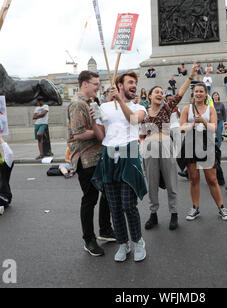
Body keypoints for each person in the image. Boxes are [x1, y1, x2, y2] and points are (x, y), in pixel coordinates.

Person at [91, 71, 148, 263]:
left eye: (135, 82)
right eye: (130, 82)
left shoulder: (139, 106)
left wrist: (120, 101)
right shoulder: (105, 107)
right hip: (108, 154)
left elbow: (133, 120)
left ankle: (138, 241)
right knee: (114, 206)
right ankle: (123, 243)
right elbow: (101, 136)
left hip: (129, 153)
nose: (134, 85)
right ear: (120, 85)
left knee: (128, 205)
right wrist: (93, 118)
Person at [140, 64, 199, 232]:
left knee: (171, 182)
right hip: (149, 148)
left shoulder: (167, 107)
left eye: (161, 92)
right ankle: (154, 214)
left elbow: (180, 93)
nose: (160, 93)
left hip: (166, 146)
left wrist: (190, 77)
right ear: (150, 96)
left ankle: (174, 213)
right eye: (156, 92)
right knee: (151, 183)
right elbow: (142, 134)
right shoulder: (143, 112)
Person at [67, 70, 116, 258]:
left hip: (98, 156)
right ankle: (89, 239)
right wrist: (101, 132)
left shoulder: (93, 102)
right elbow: (77, 134)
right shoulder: (78, 104)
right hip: (85, 158)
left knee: (107, 193)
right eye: (96, 84)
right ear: (84, 84)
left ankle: (105, 229)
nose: (98, 86)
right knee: (90, 198)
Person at [179, 83, 227, 221]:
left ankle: (221, 207)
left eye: (201, 91)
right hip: (190, 144)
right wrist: (193, 124)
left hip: (206, 144)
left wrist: (202, 120)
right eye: (196, 91)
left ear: (205, 93)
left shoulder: (211, 109)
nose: (199, 94)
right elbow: (181, 128)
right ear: (193, 93)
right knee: (194, 179)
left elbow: (214, 128)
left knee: (212, 179)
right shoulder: (186, 108)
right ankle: (195, 208)